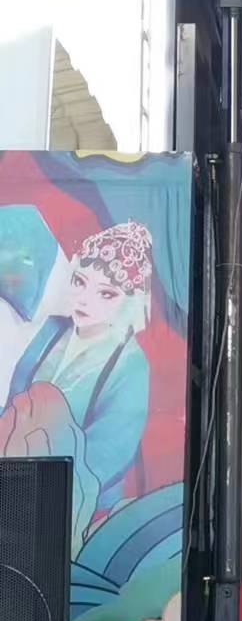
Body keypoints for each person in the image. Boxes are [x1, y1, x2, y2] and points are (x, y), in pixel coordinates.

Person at [5, 221, 154, 548]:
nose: (85, 300)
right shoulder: (53, 329)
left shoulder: (131, 364)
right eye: (80, 282)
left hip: (81, 507)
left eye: (106, 293)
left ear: (130, 299)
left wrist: (43, 492)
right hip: (14, 484)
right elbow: (14, 401)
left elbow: (108, 454)